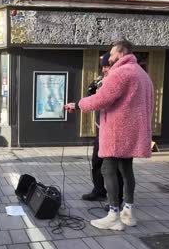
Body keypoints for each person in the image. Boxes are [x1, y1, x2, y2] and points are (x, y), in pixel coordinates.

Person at [66, 40, 154, 231]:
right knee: (126, 168)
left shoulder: (121, 72)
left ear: (121, 52)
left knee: (108, 168)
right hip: (132, 131)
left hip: (117, 131)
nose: (109, 57)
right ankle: (128, 212)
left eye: (112, 53)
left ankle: (113, 214)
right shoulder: (142, 73)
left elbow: (102, 98)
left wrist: (77, 104)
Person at [81, 53, 124, 212]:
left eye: (108, 66)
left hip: (115, 131)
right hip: (101, 129)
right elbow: (92, 100)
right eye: (104, 66)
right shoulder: (102, 81)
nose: (105, 69)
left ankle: (118, 200)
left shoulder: (119, 81)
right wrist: (92, 91)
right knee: (96, 162)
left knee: (115, 168)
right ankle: (99, 191)